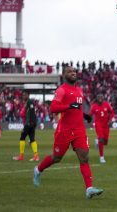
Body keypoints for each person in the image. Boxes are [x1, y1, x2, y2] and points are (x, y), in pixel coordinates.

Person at [33, 66, 103, 199]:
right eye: (70, 71)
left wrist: (84, 115)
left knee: (84, 158)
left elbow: (75, 108)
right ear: (64, 75)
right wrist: (68, 106)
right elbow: (53, 107)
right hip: (64, 130)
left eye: (75, 71)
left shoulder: (79, 90)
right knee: (56, 158)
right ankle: (38, 170)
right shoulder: (61, 90)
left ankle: (89, 189)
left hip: (79, 129)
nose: (73, 73)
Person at [13, 91, 39, 161]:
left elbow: (32, 112)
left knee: (22, 137)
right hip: (31, 123)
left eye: (25, 95)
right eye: (23, 95)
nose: (23, 96)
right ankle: (36, 156)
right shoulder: (28, 102)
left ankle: (21, 156)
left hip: (29, 123)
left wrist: (31, 122)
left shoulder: (29, 102)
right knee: (32, 139)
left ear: (28, 95)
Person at [89, 94, 114, 164]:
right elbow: (90, 114)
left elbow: (112, 112)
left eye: (101, 98)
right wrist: (90, 121)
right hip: (98, 125)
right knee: (101, 139)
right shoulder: (94, 106)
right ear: (97, 99)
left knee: (105, 142)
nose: (100, 99)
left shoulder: (107, 104)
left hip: (106, 125)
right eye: (99, 98)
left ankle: (97, 141)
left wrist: (110, 120)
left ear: (103, 99)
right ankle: (101, 157)